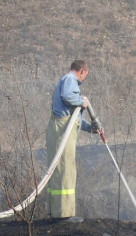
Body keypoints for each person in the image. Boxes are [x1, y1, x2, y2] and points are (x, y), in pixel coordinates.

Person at [46, 60, 99, 223]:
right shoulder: (70, 79)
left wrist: (91, 128)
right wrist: (82, 102)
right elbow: (68, 97)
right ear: (82, 71)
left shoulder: (67, 81)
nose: (83, 80)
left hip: (62, 129)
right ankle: (64, 214)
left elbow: (75, 119)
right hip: (61, 131)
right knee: (64, 169)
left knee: (62, 168)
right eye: (85, 76)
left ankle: (57, 211)